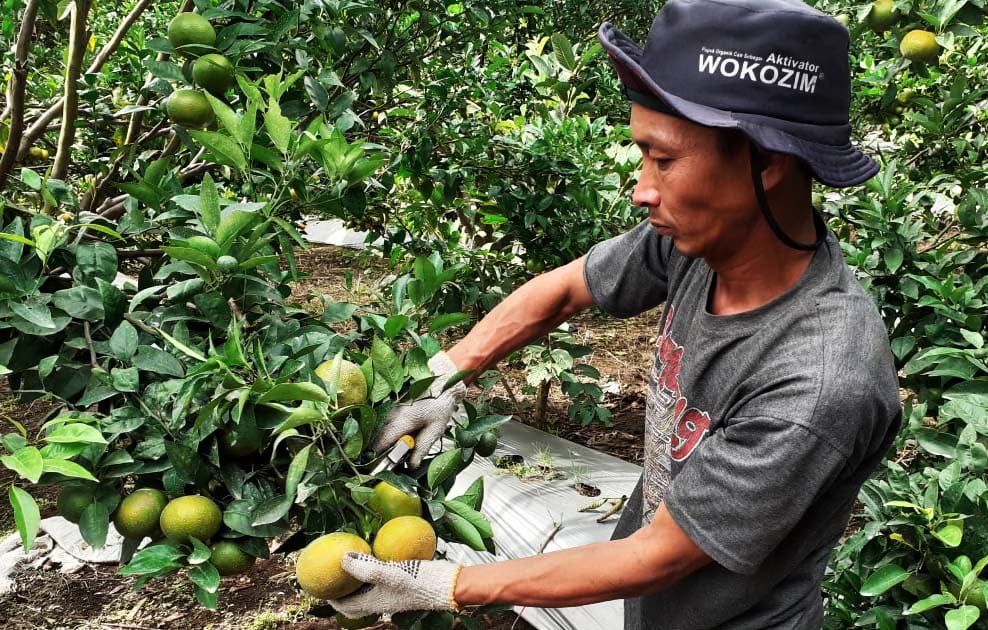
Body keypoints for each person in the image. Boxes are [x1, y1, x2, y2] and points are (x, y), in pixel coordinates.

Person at [330, 0, 902, 627]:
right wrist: (446, 374)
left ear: (768, 162)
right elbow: (564, 289)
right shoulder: (700, 241)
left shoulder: (819, 383)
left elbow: (656, 556)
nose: (641, 188)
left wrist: (451, 584)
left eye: (663, 159)